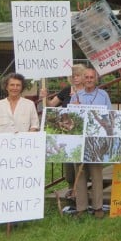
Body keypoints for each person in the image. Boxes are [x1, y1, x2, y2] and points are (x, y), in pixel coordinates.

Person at [39, 63, 87, 195]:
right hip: (66, 130)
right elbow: (52, 105)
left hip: (82, 130)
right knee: (68, 159)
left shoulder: (89, 90)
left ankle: (82, 188)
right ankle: (72, 186)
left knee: (80, 159)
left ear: (83, 76)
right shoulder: (66, 90)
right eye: (73, 76)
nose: (75, 78)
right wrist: (45, 97)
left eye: (78, 75)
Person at [70, 67, 112, 218]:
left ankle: (98, 207)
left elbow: (109, 116)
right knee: (80, 174)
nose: (88, 80)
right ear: (82, 78)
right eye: (86, 77)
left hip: (96, 141)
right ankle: (81, 208)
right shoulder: (76, 96)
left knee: (96, 174)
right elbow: (71, 119)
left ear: (96, 79)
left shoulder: (103, 95)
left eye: (91, 77)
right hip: (80, 141)